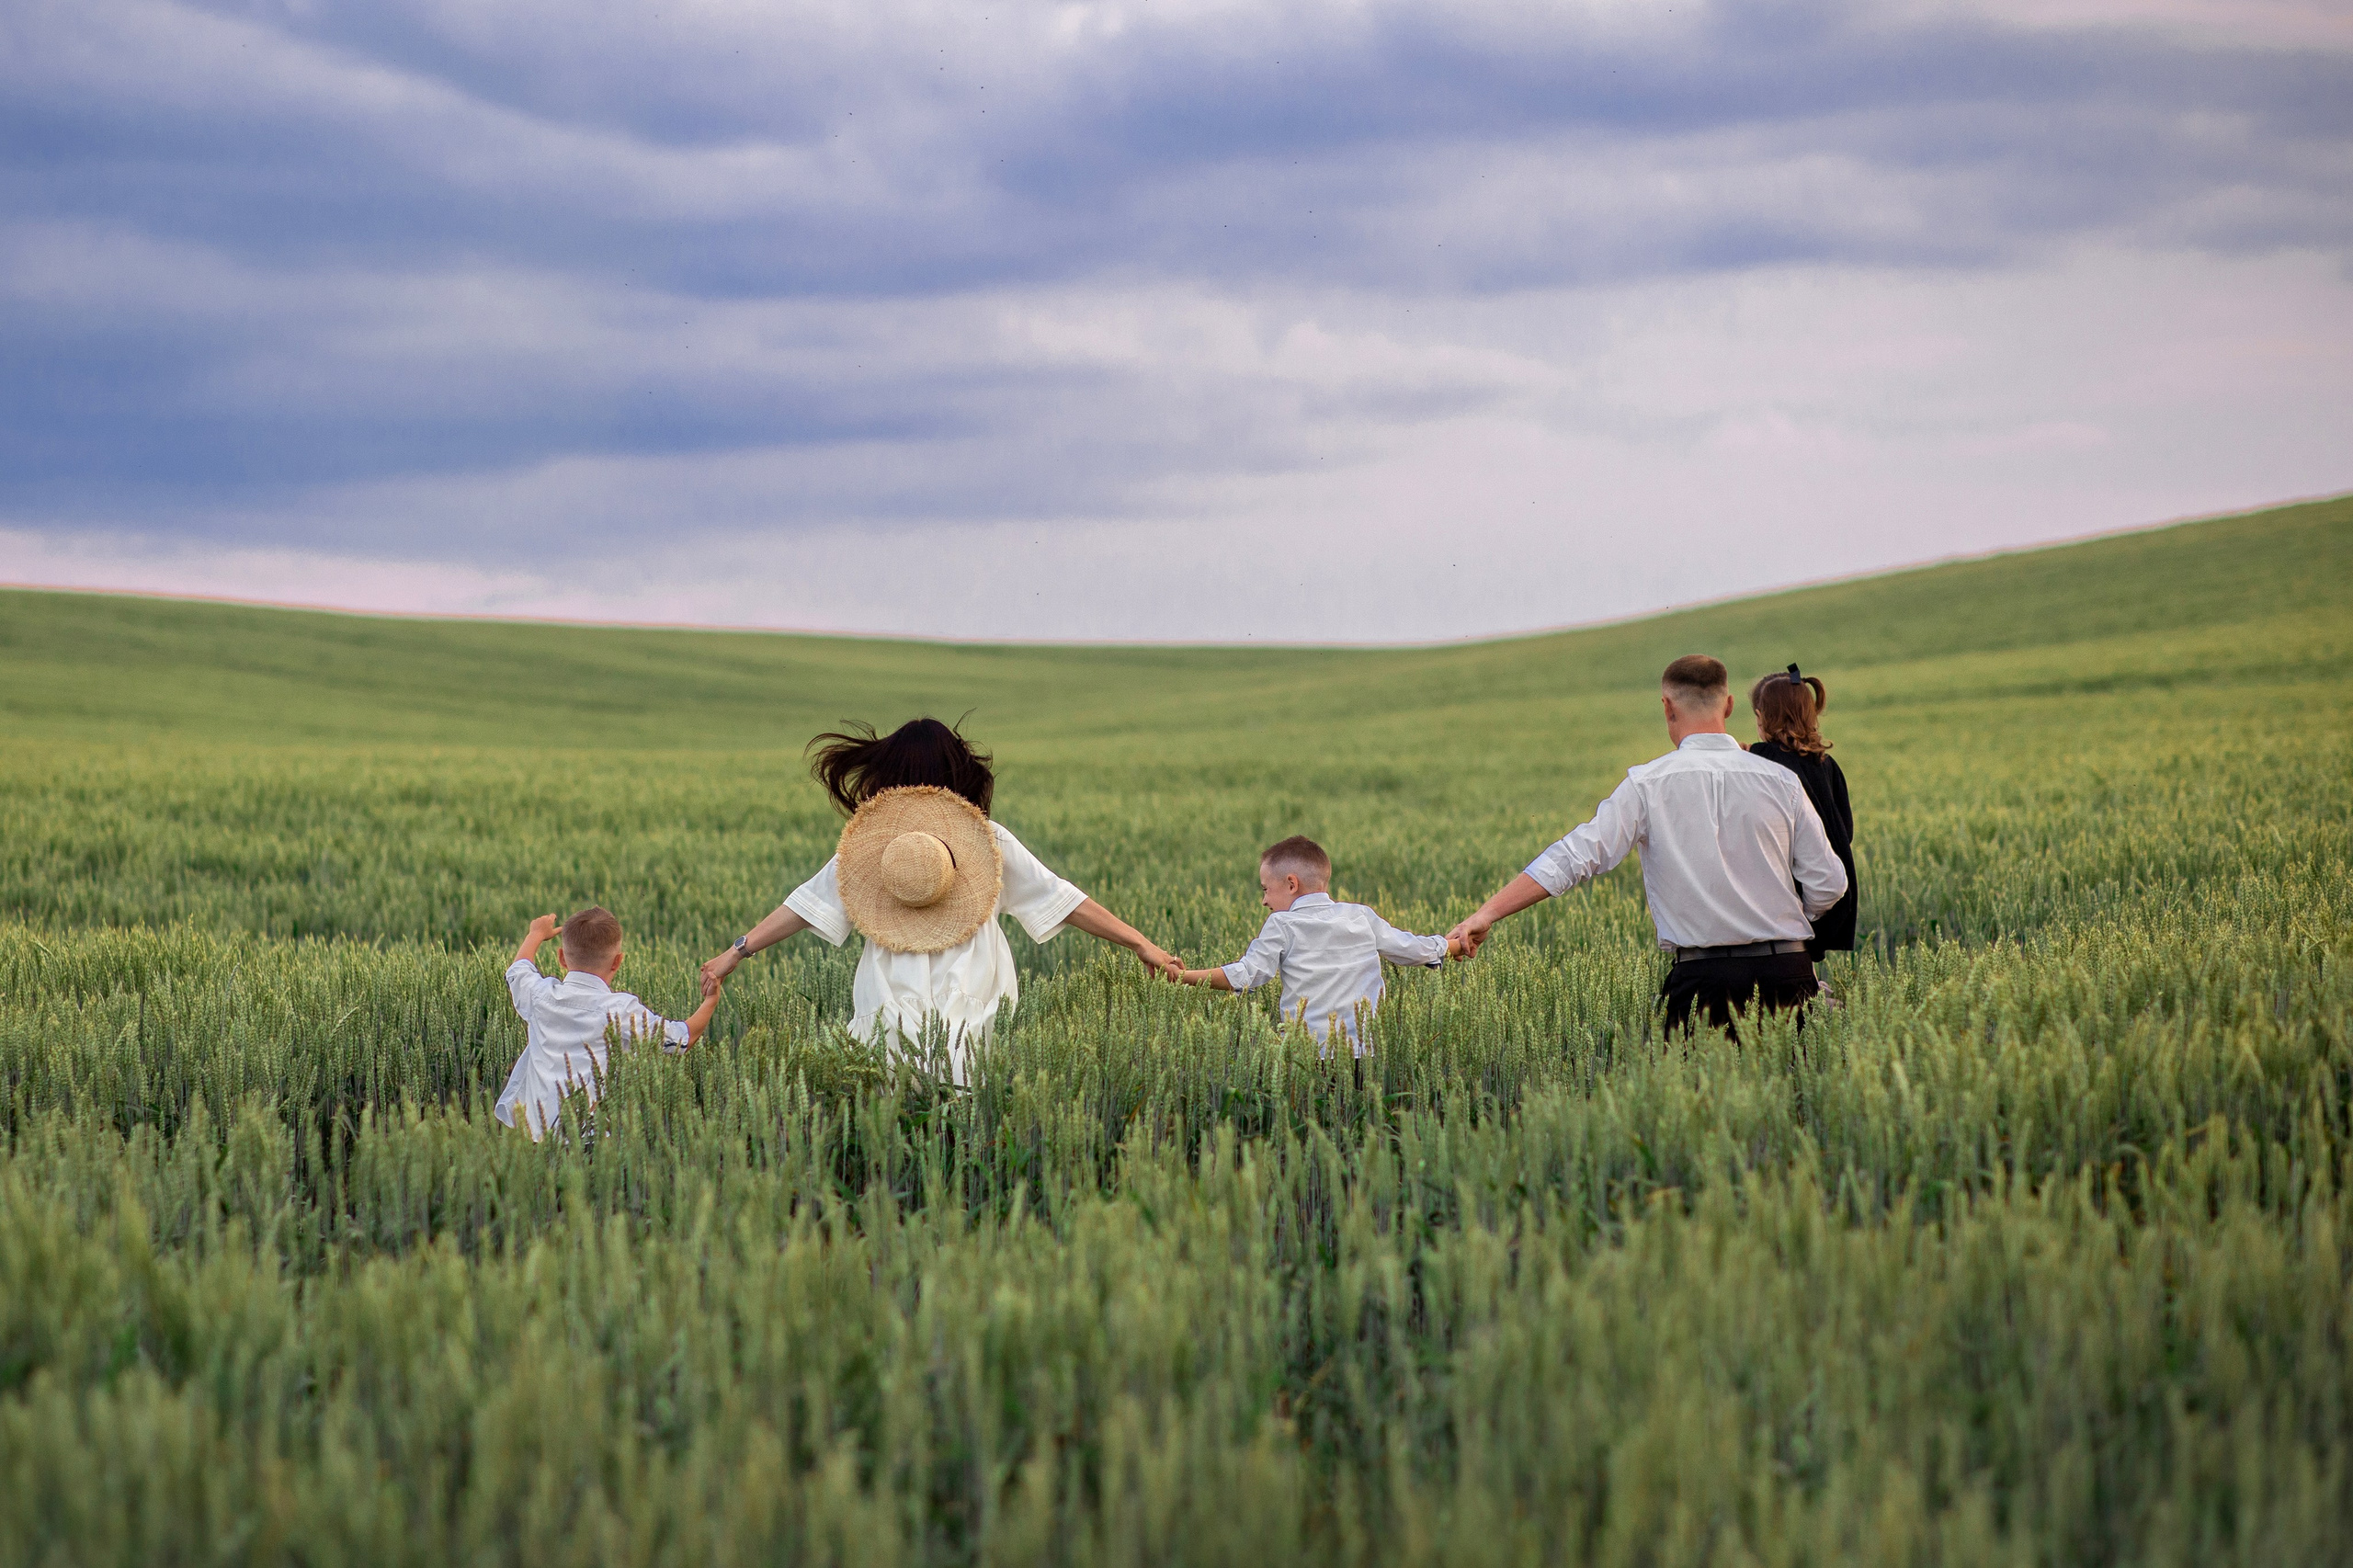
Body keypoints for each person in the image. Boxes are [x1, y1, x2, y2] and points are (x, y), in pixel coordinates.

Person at [699, 717, 1177, 1083]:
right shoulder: (987, 842)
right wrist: (1140, 944)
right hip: (975, 993)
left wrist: (736, 952)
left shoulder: (873, 848)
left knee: (889, 1097)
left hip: (888, 994)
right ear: (958, 771)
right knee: (968, 1100)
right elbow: (1063, 900)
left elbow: (803, 907)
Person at [1448, 655, 1848, 1037]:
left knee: (1694, 1106)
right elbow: (1830, 883)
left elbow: (1573, 857)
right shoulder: (1781, 781)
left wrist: (1487, 914)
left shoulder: (1648, 784)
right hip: (1789, 975)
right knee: (1793, 1104)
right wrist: (1788, 933)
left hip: (1703, 985)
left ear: (1667, 707)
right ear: (1727, 706)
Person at [1168, 835, 1467, 1054]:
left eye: (1265, 890)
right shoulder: (1360, 915)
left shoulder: (1282, 924)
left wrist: (1185, 977)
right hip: (1363, 1052)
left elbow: (1248, 975)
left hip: (1305, 1056)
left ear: (1291, 884)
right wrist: (1452, 946)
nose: (1264, 900)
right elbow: (1410, 950)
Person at [496, 907, 720, 1139]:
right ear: (617, 961)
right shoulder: (619, 1009)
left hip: (534, 1133)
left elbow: (518, 971)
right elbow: (681, 1039)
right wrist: (711, 1000)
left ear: (561, 957)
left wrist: (535, 934)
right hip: (591, 1139)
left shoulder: (541, 995)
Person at [1746, 665, 1857, 964]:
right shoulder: (1827, 764)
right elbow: (1845, 831)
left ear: (1762, 718)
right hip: (1834, 896)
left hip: (1794, 894)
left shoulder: (1764, 758)